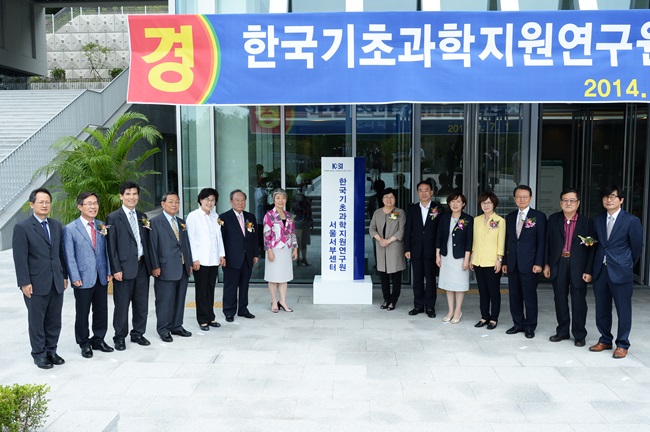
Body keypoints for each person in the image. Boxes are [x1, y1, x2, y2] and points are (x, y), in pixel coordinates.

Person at [13, 188, 68, 369]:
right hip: (35, 283)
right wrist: (24, 282)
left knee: (54, 320)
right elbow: (20, 258)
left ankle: (51, 351)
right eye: (41, 202)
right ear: (32, 205)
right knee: (37, 320)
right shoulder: (22, 228)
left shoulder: (56, 225)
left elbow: (60, 253)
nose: (45, 205)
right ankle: (39, 354)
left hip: (56, 280)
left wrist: (64, 275)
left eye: (47, 202)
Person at [589, 185, 643, 359]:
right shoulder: (597, 219)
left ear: (621, 200)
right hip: (601, 270)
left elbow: (636, 247)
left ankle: (622, 344)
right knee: (602, 308)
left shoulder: (631, 220)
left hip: (621, 271)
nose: (609, 199)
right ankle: (605, 339)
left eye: (612, 196)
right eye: (605, 196)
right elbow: (595, 245)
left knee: (623, 309)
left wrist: (626, 264)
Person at [62, 192, 113, 359]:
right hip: (82, 278)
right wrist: (74, 276)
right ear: (80, 206)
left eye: (95, 203)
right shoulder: (70, 229)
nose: (93, 206)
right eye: (89, 203)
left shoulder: (101, 225)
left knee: (101, 311)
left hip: (101, 275)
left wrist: (109, 271)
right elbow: (69, 255)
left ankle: (98, 339)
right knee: (82, 312)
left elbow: (106, 250)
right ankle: (84, 343)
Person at [543, 188, 594, 347]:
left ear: (578, 203)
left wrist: (588, 270)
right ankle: (562, 331)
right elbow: (547, 243)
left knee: (579, 301)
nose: (568, 203)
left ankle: (579, 334)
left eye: (572, 200)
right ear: (560, 203)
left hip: (578, 265)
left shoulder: (587, 222)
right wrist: (546, 264)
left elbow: (592, 248)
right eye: (565, 200)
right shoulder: (553, 219)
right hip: (559, 263)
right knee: (559, 299)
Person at [106, 181, 153, 351]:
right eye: (128, 194)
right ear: (121, 196)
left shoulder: (142, 216)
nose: (131, 197)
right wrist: (115, 269)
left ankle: (138, 333)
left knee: (141, 304)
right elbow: (111, 246)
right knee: (122, 305)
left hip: (142, 266)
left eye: (134, 194)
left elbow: (147, 242)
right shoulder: (113, 217)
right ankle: (119, 337)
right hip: (123, 269)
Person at [502, 185, 547, 339]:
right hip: (513, 263)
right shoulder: (510, 217)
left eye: (525, 197)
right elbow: (507, 241)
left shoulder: (539, 216)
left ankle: (530, 326)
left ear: (530, 198)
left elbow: (541, 241)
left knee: (529, 297)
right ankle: (518, 324)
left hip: (530, 264)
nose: (522, 199)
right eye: (519, 197)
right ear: (514, 199)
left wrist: (539, 263)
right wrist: (505, 262)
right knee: (514, 296)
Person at [150, 192, 194, 342]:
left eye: (177, 202)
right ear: (163, 204)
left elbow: (186, 244)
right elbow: (152, 246)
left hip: (182, 267)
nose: (174, 205)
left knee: (180, 299)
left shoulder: (181, 222)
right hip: (164, 267)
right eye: (171, 202)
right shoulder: (155, 222)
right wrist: (155, 266)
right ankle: (163, 329)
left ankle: (177, 326)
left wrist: (189, 262)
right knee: (164, 301)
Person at [186, 188, 225, 331]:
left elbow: (219, 237)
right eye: (207, 199)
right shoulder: (193, 216)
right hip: (200, 260)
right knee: (201, 290)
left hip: (213, 258)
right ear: (201, 200)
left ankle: (210, 317)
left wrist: (221, 254)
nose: (210, 202)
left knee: (210, 289)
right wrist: (194, 259)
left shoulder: (215, 216)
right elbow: (191, 239)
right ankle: (202, 319)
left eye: (213, 200)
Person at [404, 180, 444, 317]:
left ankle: (430, 307)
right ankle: (418, 305)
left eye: (426, 190)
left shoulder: (438, 209)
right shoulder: (413, 209)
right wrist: (407, 248)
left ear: (431, 192)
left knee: (431, 279)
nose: (424, 193)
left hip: (432, 250)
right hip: (416, 250)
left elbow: (440, 231)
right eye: (421, 190)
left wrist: (439, 250)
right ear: (417, 193)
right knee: (417, 279)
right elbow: (408, 230)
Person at [220, 189, 259, 322]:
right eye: (237, 200)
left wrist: (255, 253)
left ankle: (243, 309)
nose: (240, 203)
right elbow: (221, 239)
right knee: (230, 286)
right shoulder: (224, 218)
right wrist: (222, 256)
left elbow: (255, 237)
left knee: (244, 285)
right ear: (231, 202)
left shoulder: (250, 217)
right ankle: (229, 311)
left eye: (243, 200)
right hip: (231, 258)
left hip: (247, 257)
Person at [436, 192, 473, 323]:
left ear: (463, 204)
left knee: (459, 285)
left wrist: (467, 259)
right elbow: (439, 237)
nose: (455, 204)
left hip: (460, 257)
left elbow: (469, 240)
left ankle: (458, 311)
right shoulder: (444, 218)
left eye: (458, 202)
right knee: (448, 284)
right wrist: (437, 255)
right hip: (446, 255)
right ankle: (450, 310)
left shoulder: (468, 219)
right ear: (449, 203)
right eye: (452, 201)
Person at [470, 191, 505, 330]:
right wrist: (472, 257)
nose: (486, 205)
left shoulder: (500, 221)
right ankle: (484, 316)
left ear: (494, 204)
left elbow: (501, 241)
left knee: (494, 292)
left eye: (489, 203)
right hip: (478, 260)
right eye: (483, 203)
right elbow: (475, 241)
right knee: (482, 291)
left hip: (492, 262)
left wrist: (499, 259)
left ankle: (494, 318)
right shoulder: (476, 220)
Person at [369, 188, 406, 311]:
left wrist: (388, 241)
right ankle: (386, 298)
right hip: (381, 247)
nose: (389, 199)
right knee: (383, 276)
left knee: (396, 276)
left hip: (394, 247)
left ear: (395, 199)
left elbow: (401, 230)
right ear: (382, 199)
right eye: (386, 197)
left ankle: (393, 300)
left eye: (391, 197)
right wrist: (379, 239)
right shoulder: (377, 212)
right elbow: (372, 228)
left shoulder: (399, 212)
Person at [263, 188, 298, 312]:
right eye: (278, 198)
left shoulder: (289, 215)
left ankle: (282, 301)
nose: (280, 201)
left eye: (283, 198)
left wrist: (295, 248)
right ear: (273, 200)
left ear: (286, 200)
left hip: (286, 250)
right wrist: (269, 251)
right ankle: (274, 301)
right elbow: (266, 235)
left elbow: (292, 232)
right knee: (273, 277)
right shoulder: (269, 215)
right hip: (274, 249)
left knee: (284, 277)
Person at [292, 176, 313, 266]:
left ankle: (302, 258)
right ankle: (299, 258)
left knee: (302, 242)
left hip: (303, 221)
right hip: (299, 221)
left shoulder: (303, 198)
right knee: (300, 242)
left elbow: (308, 211)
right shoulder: (299, 198)